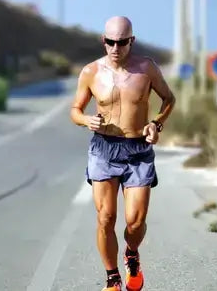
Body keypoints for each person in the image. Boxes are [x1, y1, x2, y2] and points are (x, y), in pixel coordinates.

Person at [69, 16, 176, 291]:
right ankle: (113, 278)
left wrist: (156, 123)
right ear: (103, 40)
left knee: (135, 221)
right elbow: (75, 110)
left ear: (132, 41)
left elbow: (169, 99)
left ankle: (131, 253)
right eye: (110, 42)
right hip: (104, 148)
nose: (115, 48)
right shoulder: (91, 72)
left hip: (138, 148)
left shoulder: (146, 68)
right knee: (105, 217)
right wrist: (85, 120)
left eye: (122, 42)